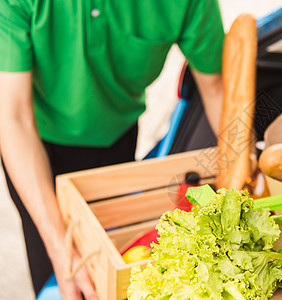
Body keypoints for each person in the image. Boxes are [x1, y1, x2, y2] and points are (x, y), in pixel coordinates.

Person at [0, 0, 225, 299]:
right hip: (35, 149)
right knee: (61, 281)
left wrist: (243, 167)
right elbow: (12, 116)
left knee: (115, 273)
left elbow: (218, 88)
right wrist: (60, 249)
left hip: (117, 139)